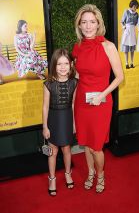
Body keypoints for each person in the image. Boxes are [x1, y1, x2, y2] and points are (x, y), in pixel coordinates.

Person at [72, 4, 124, 193]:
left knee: (96, 146)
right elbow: (78, 77)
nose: (88, 26)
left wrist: (102, 95)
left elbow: (119, 77)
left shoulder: (108, 46)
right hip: (82, 102)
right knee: (85, 142)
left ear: (98, 23)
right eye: (84, 22)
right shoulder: (77, 47)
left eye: (91, 22)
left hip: (101, 102)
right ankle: (90, 172)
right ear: (79, 25)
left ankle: (100, 175)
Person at [42, 48, 77, 196]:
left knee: (67, 149)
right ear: (54, 65)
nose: (63, 67)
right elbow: (44, 107)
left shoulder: (74, 83)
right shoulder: (48, 84)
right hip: (53, 120)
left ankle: (68, 173)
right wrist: (45, 126)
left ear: (71, 65)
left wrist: (74, 123)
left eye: (66, 63)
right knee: (53, 152)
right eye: (59, 64)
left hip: (67, 119)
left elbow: (74, 104)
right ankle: (52, 179)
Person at [121, 0, 139, 69]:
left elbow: (137, 23)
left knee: (132, 48)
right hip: (127, 30)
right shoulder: (126, 11)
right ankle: (126, 63)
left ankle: (132, 63)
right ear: (131, 5)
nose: (135, 8)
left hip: (133, 30)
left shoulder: (136, 14)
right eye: (134, 6)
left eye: (136, 6)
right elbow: (122, 21)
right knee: (126, 48)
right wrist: (124, 27)